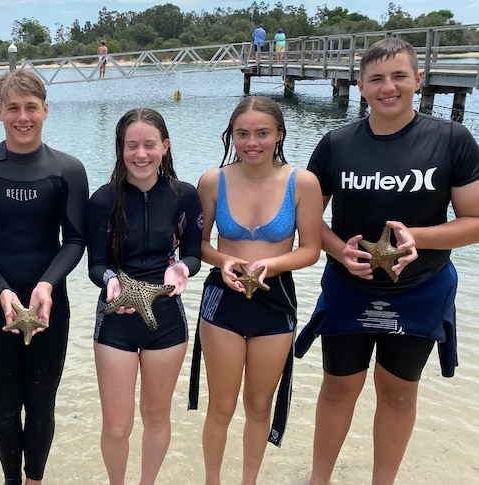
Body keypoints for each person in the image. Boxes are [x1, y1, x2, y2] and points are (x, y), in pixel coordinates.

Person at [296, 38, 479, 485]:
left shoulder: (451, 139)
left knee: (398, 394)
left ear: (419, 80)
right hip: (348, 286)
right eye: (376, 78)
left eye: (399, 76)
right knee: (338, 388)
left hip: (420, 287)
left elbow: (474, 220)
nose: (388, 87)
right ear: (360, 86)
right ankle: (318, 480)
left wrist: (419, 237)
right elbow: (307, 221)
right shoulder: (336, 144)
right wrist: (339, 250)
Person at [0, 69, 88, 485]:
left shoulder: (68, 169)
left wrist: (46, 284)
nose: (22, 116)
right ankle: (11, 480)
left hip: (50, 304)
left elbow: (76, 239)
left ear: (46, 110)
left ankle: (35, 480)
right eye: (13, 107)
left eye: (31, 107)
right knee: (5, 404)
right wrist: (2, 290)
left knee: (43, 402)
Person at [190, 96, 322, 484]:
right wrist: (224, 261)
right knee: (221, 406)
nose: (252, 142)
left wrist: (271, 265)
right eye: (242, 133)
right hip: (223, 298)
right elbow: (197, 244)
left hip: (275, 299)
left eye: (262, 133)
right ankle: (212, 480)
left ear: (279, 134)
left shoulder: (303, 182)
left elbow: (311, 250)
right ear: (231, 135)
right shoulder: (214, 180)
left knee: (259, 405)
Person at [85, 108, 203, 484]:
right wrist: (110, 280)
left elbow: (194, 253)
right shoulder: (103, 200)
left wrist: (182, 267)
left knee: (156, 416)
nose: (141, 154)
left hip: (167, 318)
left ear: (165, 147)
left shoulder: (185, 196)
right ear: (120, 149)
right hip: (116, 319)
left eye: (150, 145)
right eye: (131, 145)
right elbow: (95, 264)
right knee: (117, 425)